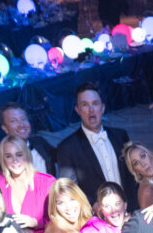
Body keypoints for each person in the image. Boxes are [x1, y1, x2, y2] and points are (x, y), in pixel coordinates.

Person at [56, 82, 138, 211]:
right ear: (77, 110)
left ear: (102, 107)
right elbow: (70, 188)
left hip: (130, 210)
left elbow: (133, 174)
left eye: (95, 103)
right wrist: (93, 205)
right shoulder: (67, 148)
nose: (91, 109)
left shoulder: (121, 136)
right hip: (99, 216)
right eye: (85, 104)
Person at [0, 136, 55, 233]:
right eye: (8, 156)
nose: (15, 160)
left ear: (27, 155)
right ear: (3, 159)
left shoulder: (47, 182)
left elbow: (61, 219)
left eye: (19, 155)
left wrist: (36, 222)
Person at [0, 103, 56, 176]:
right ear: (5, 128)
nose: (21, 125)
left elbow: (60, 155)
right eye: (13, 121)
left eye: (23, 119)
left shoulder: (40, 142)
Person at [121, 141, 153, 209]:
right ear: (135, 171)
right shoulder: (146, 191)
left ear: (150, 154)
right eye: (136, 163)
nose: (143, 164)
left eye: (143, 156)